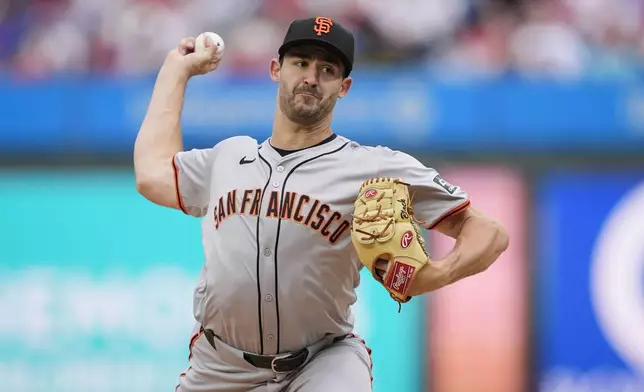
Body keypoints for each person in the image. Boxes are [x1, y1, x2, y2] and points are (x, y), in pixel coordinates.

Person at [133, 16, 509, 392]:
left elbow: (488, 231)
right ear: (275, 69)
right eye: (300, 63)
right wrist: (175, 71)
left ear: (344, 87)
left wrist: (440, 273)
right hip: (220, 368)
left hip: (322, 362)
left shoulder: (373, 167)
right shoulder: (227, 158)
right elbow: (152, 175)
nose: (311, 77)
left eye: (327, 69)